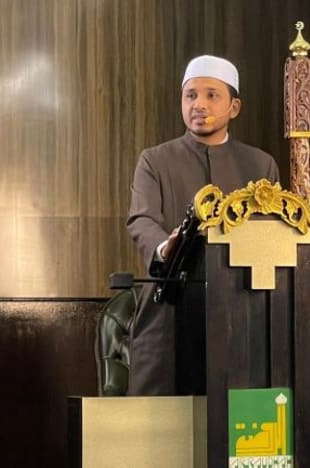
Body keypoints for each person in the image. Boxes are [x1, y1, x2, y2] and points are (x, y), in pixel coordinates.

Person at [126, 55, 279, 396]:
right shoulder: (155, 160)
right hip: (169, 311)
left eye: (212, 95)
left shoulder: (261, 165)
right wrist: (166, 247)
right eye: (190, 95)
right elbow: (142, 218)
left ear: (234, 107)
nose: (199, 104)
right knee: (160, 415)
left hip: (240, 315)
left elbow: (272, 231)